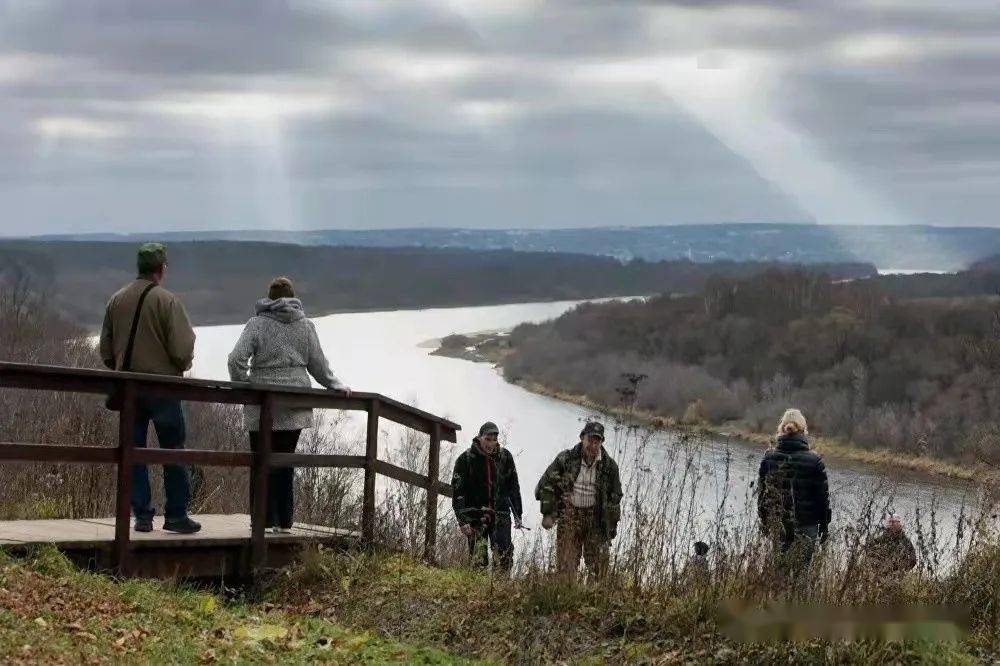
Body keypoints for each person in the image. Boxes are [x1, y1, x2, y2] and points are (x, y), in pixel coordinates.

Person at [228, 277, 350, 533]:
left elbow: (236, 359)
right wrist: (337, 386)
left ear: (269, 300)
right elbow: (319, 365)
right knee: (284, 462)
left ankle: (261, 520)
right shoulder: (306, 326)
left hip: (261, 404)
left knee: (260, 462)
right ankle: (283, 522)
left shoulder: (256, 324)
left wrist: (245, 387)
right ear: (294, 298)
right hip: (294, 404)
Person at [99, 243, 200, 534]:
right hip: (162, 388)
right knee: (173, 450)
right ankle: (177, 515)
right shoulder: (167, 301)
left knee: (134, 451)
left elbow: (106, 350)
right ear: (162, 269)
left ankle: (142, 516)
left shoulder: (116, 300)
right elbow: (182, 351)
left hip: (128, 388)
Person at [536, 421, 622, 580]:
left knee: (599, 570)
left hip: (595, 520)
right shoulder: (566, 459)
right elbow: (544, 484)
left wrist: (610, 528)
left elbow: (615, 496)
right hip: (569, 517)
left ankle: (593, 601)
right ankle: (566, 598)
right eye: (590, 440)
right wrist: (548, 513)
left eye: (597, 441)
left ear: (601, 442)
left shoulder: (610, 466)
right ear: (582, 438)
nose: (593, 445)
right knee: (566, 568)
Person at [757, 408, 831, 572]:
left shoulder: (769, 457)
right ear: (804, 431)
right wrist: (824, 528)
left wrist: (764, 522)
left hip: (779, 524)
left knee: (779, 574)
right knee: (801, 575)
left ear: (781, 428)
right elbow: (822, 500)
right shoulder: (815, 461)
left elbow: (762, 495)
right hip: (807, 526)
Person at [451, 422, 522, 572]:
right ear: (479, 437)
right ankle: (478, 594)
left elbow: (513, 486)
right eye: (487, 439)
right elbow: (458, 492)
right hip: (476, 517)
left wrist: (518, 513)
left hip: (501, 515)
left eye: (494, 439)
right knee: (478, 562)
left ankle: (501, 592)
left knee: (503, 558)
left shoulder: (505, 457)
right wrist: (462, 520)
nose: (490, 443)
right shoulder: (465, 460)